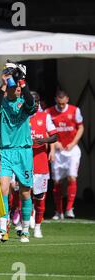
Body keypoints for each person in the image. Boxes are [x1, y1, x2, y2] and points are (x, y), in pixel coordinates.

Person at [0, 72, 36, 243]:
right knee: (3, 188)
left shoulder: (24, 104)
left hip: (23, 151)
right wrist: (3, 85)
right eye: (14, 88)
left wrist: (23, 83)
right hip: (6, 151)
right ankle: (3, 226)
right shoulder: (2, 103)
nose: (17, 91)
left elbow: (31, 102)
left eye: (19, 89)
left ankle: (25, 229)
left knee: (25, 192)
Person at [47, 90, 84, 220]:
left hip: (72, 150)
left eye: (63, 103)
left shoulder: (75, 110)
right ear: (56, 100)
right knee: (57, 181)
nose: (62, 106)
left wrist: (74, 143)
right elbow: (47, 130)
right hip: (57, 151)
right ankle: (58, 211)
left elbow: (80, 127)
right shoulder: (49, 112)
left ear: (67, 99)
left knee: (71, 178)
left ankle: (69, 209)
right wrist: (55, 142)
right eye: (59, 103)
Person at [29, 91, 57, 238]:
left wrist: (44, 141)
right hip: (23, 162)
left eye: (37, 101)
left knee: (39, 196)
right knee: (22, 194)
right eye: (32, 101)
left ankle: (38, 227)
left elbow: (54, 136)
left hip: (40, 163)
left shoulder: (45, 117)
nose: (35, 104)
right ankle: (23, 223)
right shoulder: (20, 116)